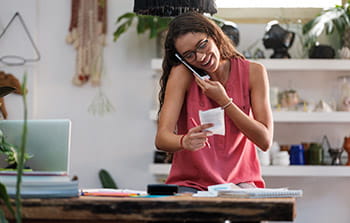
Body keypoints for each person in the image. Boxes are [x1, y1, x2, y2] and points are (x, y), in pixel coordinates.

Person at [155, 12, 273, 193]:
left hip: (241, 182)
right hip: (191, 184)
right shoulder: (183, 75)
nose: (200, 57)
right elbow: (162, 138)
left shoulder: (254, 72)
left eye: (202, 45)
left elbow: (264, 141)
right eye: (189, 55)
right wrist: (184, 141)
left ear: (214, 35)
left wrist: (224, 101)